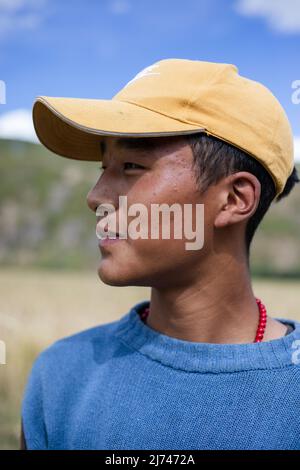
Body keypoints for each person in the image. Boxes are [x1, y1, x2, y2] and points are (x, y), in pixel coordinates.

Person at [21, 58, 300, 450]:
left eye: (132, 166)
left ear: (234, 199)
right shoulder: (61, 377)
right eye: (104, 167)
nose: (95, 196)